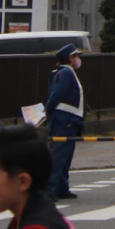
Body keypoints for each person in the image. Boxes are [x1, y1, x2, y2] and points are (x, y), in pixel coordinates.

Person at [44, 44, 84, 201]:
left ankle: (61, 188)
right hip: (64, 119)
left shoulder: (68, 72)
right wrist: (48, 110)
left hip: (69, 119)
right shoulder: (66, 73)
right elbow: (57, 93)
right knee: (59, 155)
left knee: (65, 155)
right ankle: (49, 190)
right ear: (69, 58)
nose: (78, 59)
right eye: (75, 56)